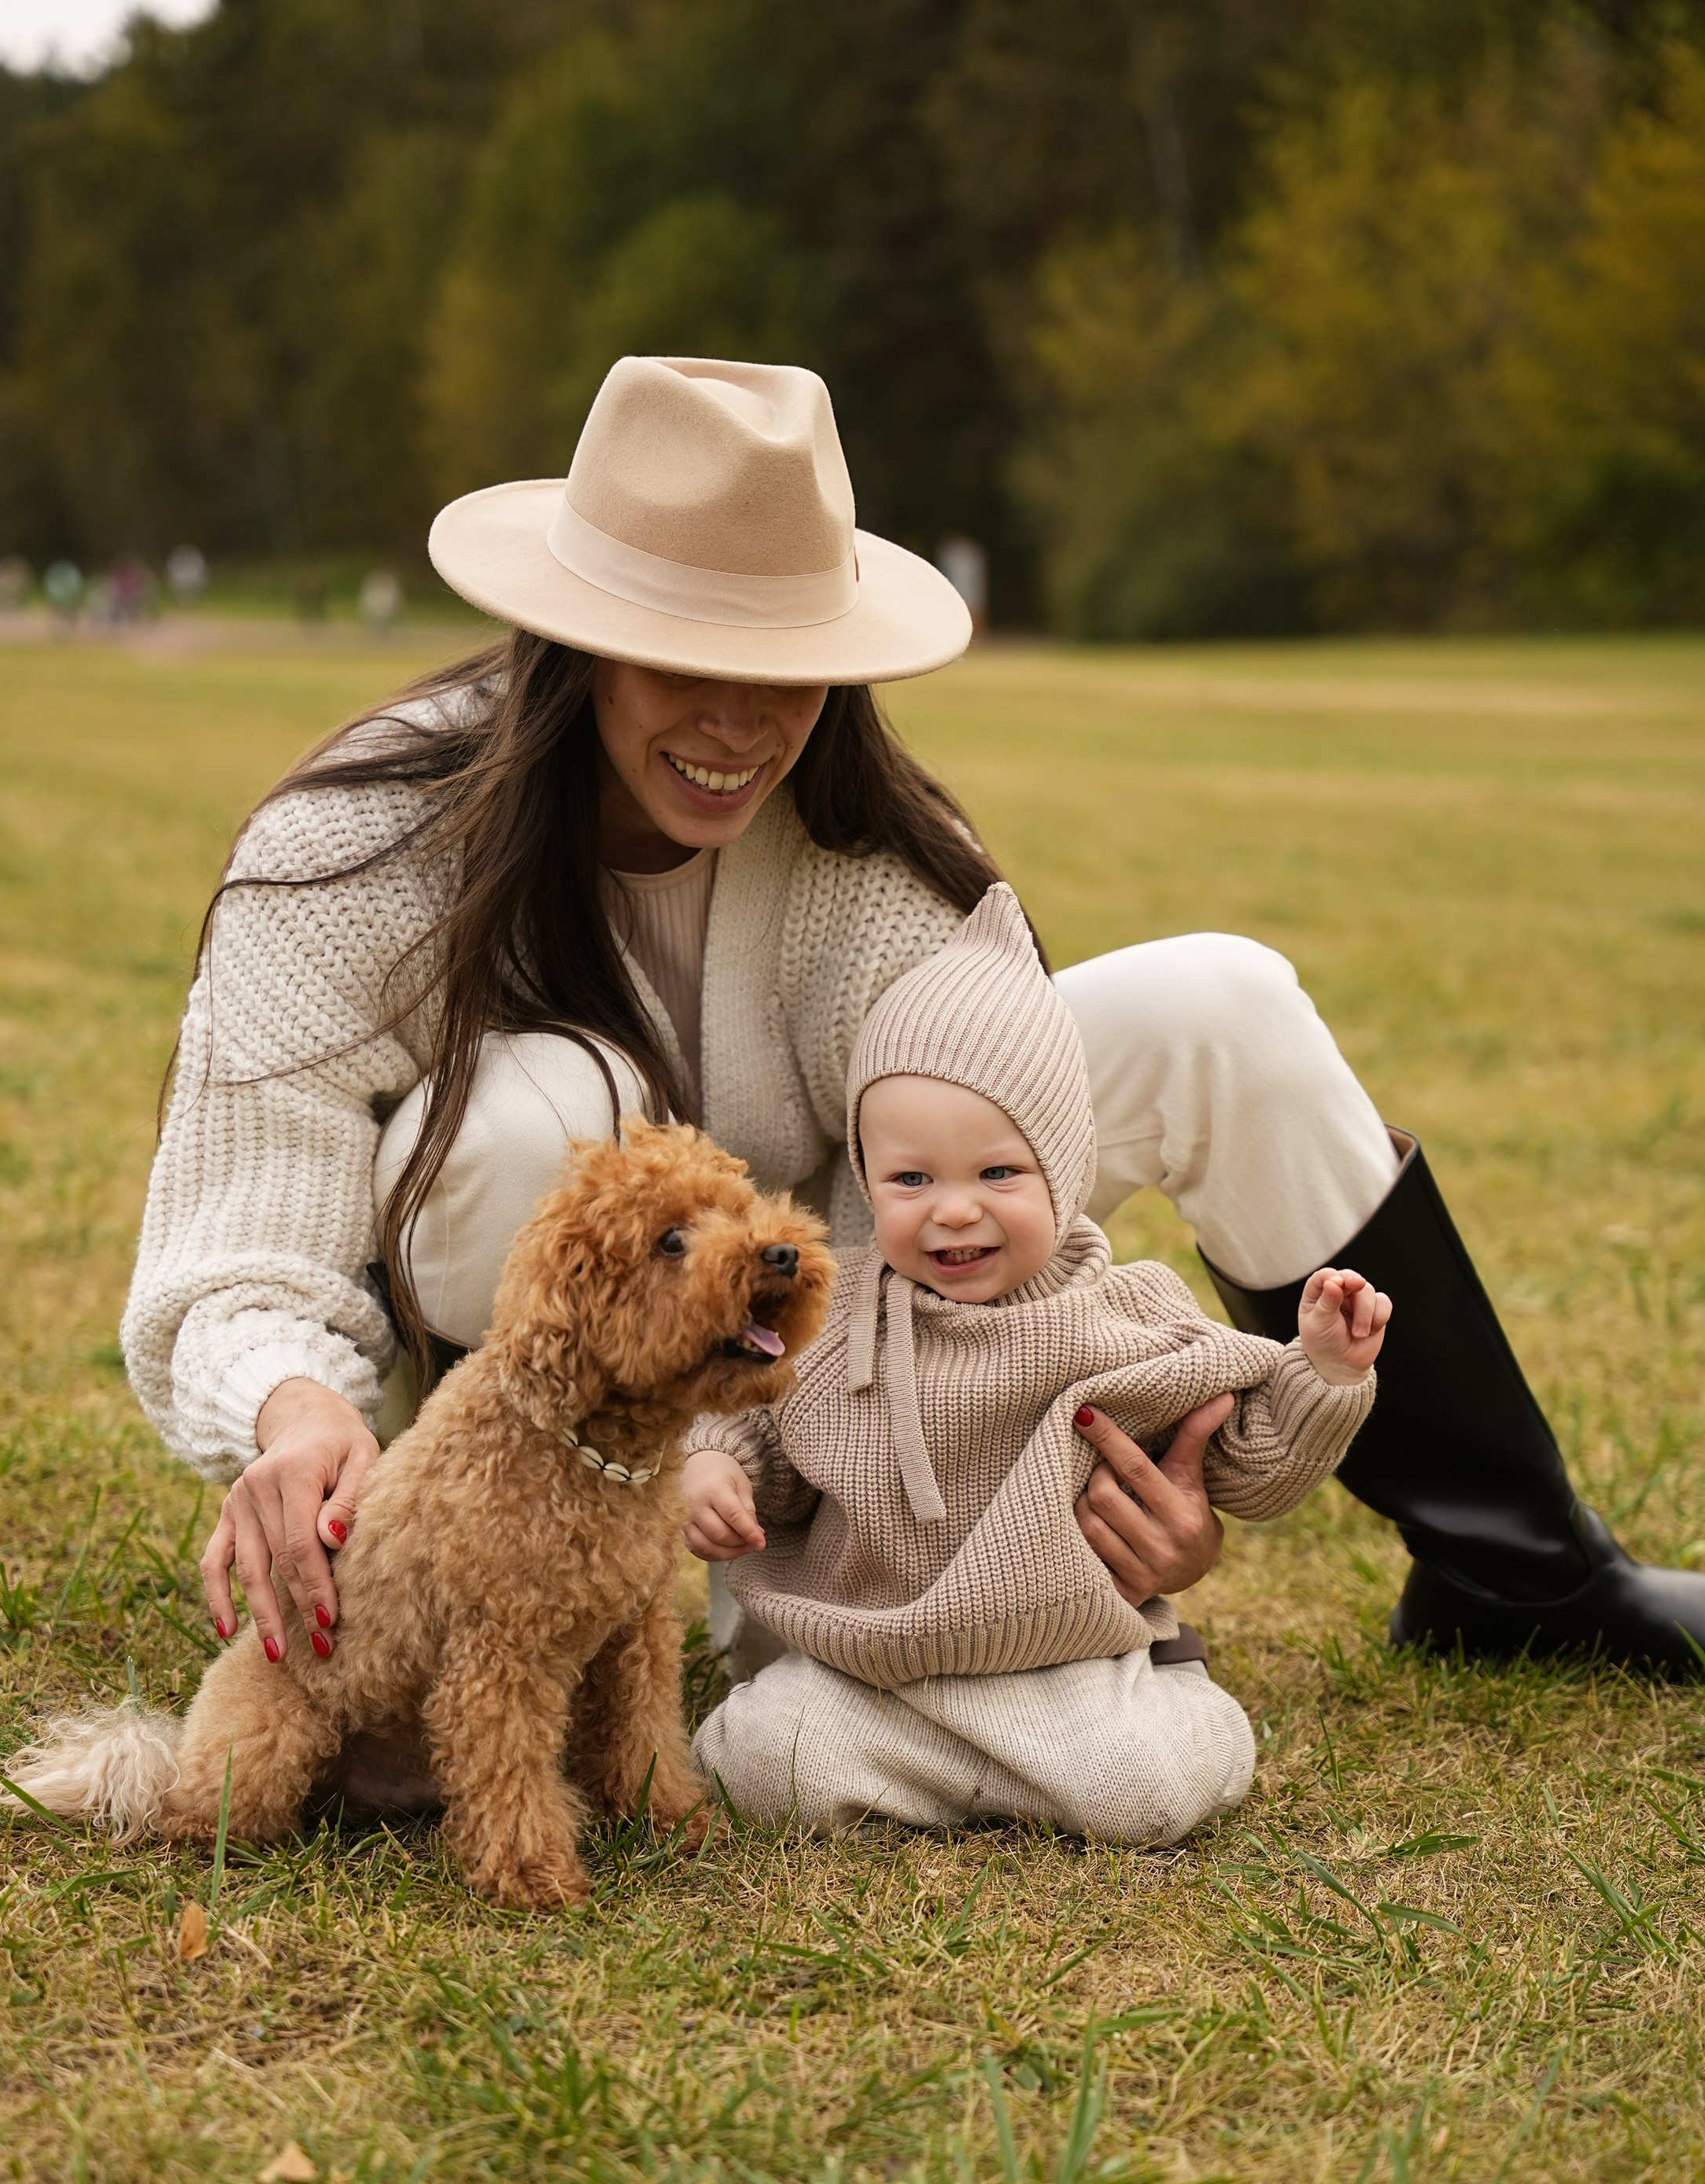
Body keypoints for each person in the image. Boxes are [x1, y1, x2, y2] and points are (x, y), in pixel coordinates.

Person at [125, 353, 1705, 1762]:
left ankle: (1517, 1572)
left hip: (827, 1391)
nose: (744, 724)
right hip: (495, 1440)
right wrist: (293, 1415)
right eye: (685, 656)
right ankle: (499, 1637)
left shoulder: (877, 859)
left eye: (788, 660)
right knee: (564, 1109)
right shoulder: (348, 847)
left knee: (1218, 996)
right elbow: (228, 1262)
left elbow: (983, 1198)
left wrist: (1130, 1488)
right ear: (571, 643)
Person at [684, 888, 1389, 1839]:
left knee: (1145, 1786)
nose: (954, 1209)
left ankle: (1119, 1730)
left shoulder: (1124, 1312)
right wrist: (715, 1467)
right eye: (910, 1178)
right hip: (869, 1673)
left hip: (1063, 1668)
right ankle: (956, 1778)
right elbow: (758, 1421)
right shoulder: (833, 1310)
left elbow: (1247, 1466)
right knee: (748, 1765)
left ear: (1062, 1162)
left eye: (997, 1174)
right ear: (865, 1176)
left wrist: (1323, 1373)